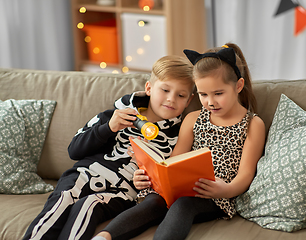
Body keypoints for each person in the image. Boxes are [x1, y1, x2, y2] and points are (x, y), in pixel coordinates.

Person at [93, 43, 266, 240]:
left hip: (216, 197)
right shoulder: (193, 119)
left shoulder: (252, 123)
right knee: (153, 201)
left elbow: (245, 174)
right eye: (203, 94)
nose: (210, 102)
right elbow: (174, 160)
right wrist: (150, 177)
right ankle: (104, 237)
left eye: (218, 94)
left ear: (238, 86)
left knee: (183, 204)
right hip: (181, 188)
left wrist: (225, 189)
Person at [22, 55, 195, 240]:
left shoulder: (181, 135)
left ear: (188, 100)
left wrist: (148, 178)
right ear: (149, 88)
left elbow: (168, 180)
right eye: (165, 90)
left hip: (122, 192)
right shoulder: (115, 115)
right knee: (64, 198)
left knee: (89, 204)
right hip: (84, 174)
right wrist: (108, 128)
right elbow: (74, 151)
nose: (171, 99)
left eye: (181, 95)